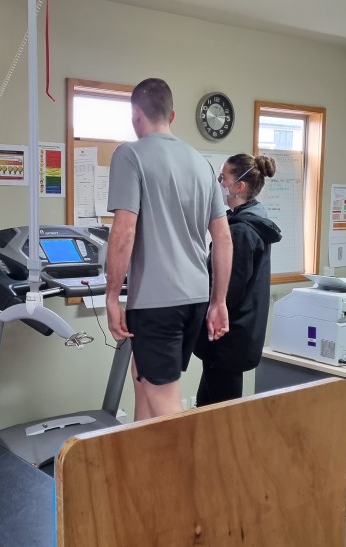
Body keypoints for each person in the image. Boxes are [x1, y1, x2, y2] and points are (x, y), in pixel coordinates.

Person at [105, 78, 233, 420]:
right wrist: (218, 301)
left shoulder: (129, 155)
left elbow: (124, 231)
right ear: (172, 115)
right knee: (142, 380)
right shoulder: (201, 164)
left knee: (166, 409)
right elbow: (222, 238)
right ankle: (141, 471)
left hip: (156, 303)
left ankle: (190, 474)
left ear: (136, 116)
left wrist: (111, 296)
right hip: (194, 298)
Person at [193, 154, 282, 406]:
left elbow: (229, 289)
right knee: (207, 405)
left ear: (239, 186)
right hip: (235, 335)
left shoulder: (242, 231)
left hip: (228, 336)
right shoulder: (253, 221)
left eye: (223, 178)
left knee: (222, 413)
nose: (219, 184)